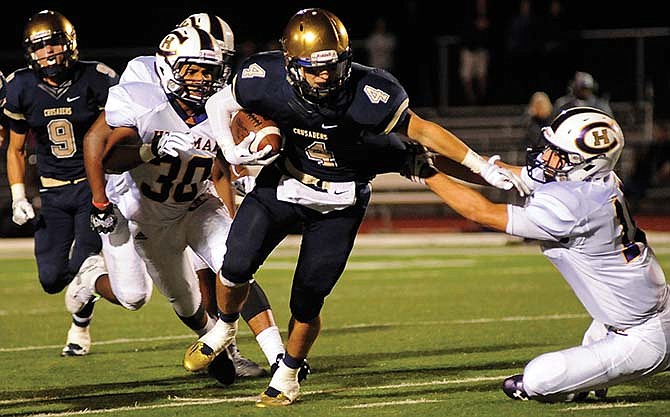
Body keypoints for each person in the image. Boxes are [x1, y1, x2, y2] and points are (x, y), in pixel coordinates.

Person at [184, 8, 525, 407]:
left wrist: (482, 166)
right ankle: (224, 327)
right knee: (234, 263)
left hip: (339, 204)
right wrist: (231, 149)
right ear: (291, 65)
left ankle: (289, 372)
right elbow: (220, 104)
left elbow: (426, 138)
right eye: (314, 69)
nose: (325, 77)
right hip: (284, 183)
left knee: (308, 300)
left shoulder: (372, 105)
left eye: (333, 66)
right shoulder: (265, 77)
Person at [78, 19, 288, 379]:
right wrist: (149, 150)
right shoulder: (144, 98)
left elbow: (222, 167)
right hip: (143, 216)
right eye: (194, 70)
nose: (203, 80)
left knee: (236, 266)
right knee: (152, 299)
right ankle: (91, 278)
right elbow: (108, 157)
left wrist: (255, 156)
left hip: (197, 204)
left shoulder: (222, 105)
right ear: (169, 65)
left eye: (211, 71)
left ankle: (280, 360)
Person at [420, 107, 670, 402]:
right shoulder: (593, 182)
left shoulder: (574, 206)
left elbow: (482, 212)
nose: (546, 156)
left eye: (557, 152)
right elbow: (498, 175)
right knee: (588, 350)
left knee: (538, 378)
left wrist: (422, 173)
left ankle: (584, 379)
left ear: (584, 163)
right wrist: (431, 159)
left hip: (642, 334)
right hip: (626, 316)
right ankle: (593, 375)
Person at [4, 10, 119, 357]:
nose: (48, 54)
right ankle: (81, 297)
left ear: (68, 44)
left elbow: (118, 133)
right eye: (39, 48)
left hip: (90, 186)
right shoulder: (20, 86)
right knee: (52, 279)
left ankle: (80, 328)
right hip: (53, 192)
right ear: (29, 53)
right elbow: (16, 148)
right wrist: (18, 196)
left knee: (84, 262)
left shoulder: (96, 78)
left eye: (53, 44)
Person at [459, 0, 491, 105]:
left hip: (481, 50)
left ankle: (482, 101)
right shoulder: (468, 14)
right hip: (468, 49)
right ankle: (470, 101)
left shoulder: (487, 14)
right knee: (466, 77)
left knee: (482, 76)